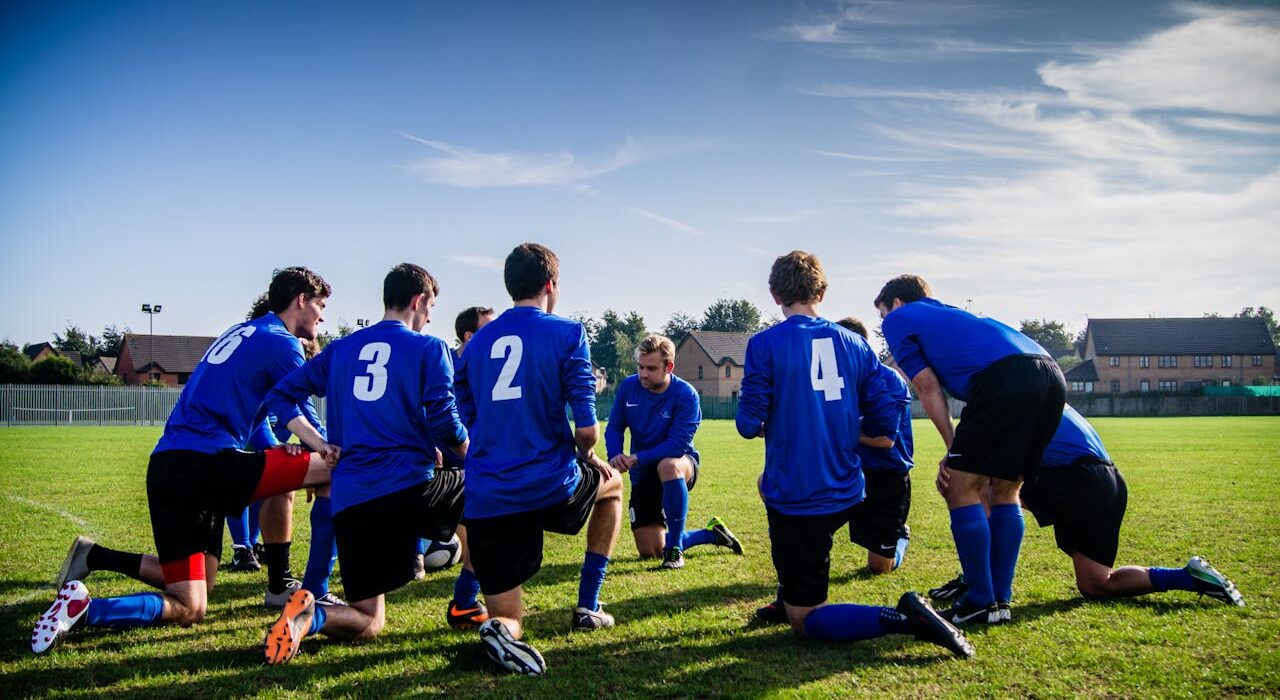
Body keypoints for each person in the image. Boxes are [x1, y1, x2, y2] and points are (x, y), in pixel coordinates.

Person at [34, 267, 338, 654]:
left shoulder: (242, 332)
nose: (322, 317)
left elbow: (251, 418)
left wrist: (290, 455)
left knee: (191, 601)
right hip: (207, 464)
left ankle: (84, 607)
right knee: (333, 469)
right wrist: (322, 450)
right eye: (321, 305)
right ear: (301, 300)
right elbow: (300, 407)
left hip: (168, 465)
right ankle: (306, 589)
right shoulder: (282, 342)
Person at [736, 251, 972, 658]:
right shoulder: (855, 345)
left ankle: (903, 618)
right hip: (849, 487)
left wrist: (775, 420)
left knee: (805, 620)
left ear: (774, 294)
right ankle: (791, 588)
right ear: (822, 292)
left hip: (799, 495)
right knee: (781, 510)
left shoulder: (764, 344)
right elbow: (884, 416)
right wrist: (844, 426)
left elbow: (746, 422)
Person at [259, 263, 469, 664]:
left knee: (369, 620)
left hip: (353, 500)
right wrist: (475, 457)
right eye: (431, 306)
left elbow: (279, 397)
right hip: (409, 489)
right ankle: (470, 601)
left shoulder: (341, 349)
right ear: (417, 300)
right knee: (488, 498)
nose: (430, 316)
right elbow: (446, 423)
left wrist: (318, 443)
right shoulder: (430, 348)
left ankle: (310, 616)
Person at [456, 242, 623, 676]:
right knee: (614, 487)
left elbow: (463, 418)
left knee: (510, 615)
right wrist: (586, 455)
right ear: (551, 284)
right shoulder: (568, 333)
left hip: (489, 495)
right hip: (549, 485)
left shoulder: (474, 345)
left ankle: (500, 630)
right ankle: (588, 604)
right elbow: (587, 430)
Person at [876, 274, 1065, 625]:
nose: (885, 324)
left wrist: (953, 446)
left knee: (959, 486)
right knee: (1005, 489)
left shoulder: (901, 317)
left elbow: (926, 386)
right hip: (1050, 373)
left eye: (883, 315)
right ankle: (999, 601)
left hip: (1005, 378)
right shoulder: (949, 314)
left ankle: (979, 599)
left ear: (897, 304)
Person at [928, 406, 1245, 610]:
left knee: (978, 488)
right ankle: (1187, 577)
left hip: (1077, 478)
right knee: (1096, 584)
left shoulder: (1008, 398)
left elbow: (989, 466)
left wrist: (953, 465)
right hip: (1108, 482)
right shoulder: (1036, 389)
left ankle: (979, 586)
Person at [605, 333, 742, 569]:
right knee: (651, 550)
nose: (643, 374)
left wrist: (636, 457)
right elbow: (615, 427)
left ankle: (676, 550)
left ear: (669, 366)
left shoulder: (686, 395)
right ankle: (711, 533)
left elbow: (676, 446)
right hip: (643, 472)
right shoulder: (629, 387)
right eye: (640, 367)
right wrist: (615, 454)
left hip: (681, 465)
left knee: (668, 464)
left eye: (651, 368)